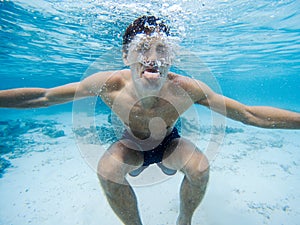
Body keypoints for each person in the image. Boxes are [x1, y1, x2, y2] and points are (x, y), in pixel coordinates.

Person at [0, 15, 300, 225]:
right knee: (107, 171)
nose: (152, 57)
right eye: (142, 48)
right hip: (129, 144)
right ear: (125, 55)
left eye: (161, 49)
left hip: (170, 144)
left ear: (172, 56)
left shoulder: (187, 89)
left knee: (200, 167)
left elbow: (248, 114)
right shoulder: (108, 84)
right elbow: (44, 97)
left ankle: (184, 220)